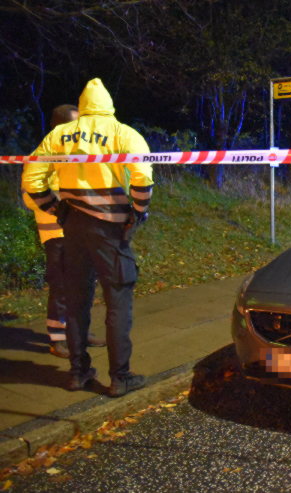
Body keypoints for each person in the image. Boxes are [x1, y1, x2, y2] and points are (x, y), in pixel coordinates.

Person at [22, 78, 154, 397]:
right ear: (109, 105)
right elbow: (142, 176)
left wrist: (54, 209)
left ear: (82, 107)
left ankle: (78, 373)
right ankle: (120, 377)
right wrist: (138, 211)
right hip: (110, 229)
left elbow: (32, 176)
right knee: (118, 298)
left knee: (77, 300)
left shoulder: (59, 134)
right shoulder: (123, 133)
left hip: (73, 228)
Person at [22, 104, 106, 358]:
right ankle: (57, 339)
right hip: (56, 233)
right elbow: (29, 197)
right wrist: (62, 204)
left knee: (85, 284)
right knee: (61, 286)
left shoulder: (80, 154)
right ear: (58, 127)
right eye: (73, 125)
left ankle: (81, 332)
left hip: (83, 232)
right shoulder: (43, 155)